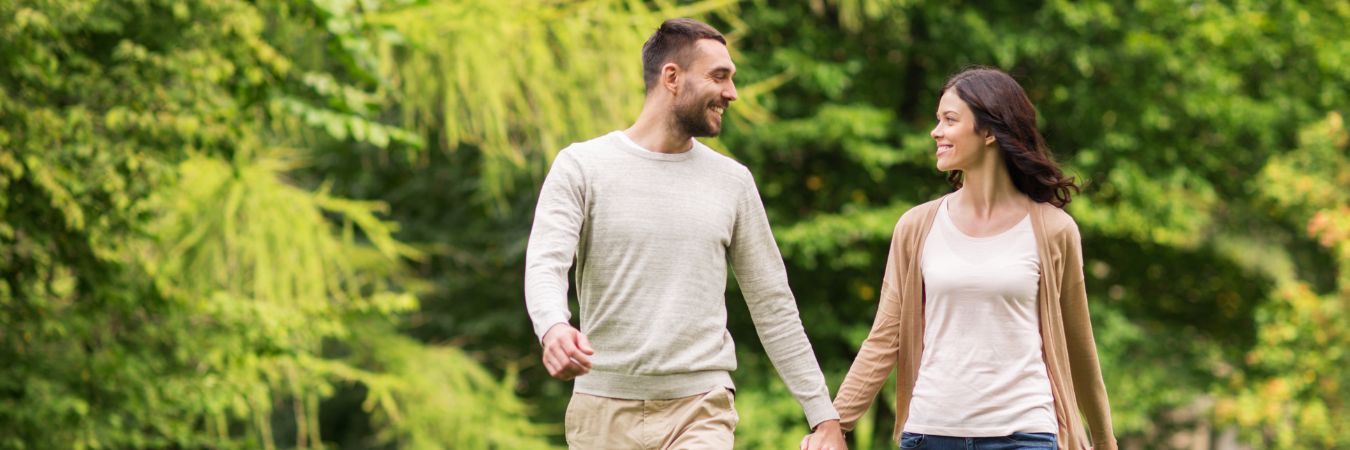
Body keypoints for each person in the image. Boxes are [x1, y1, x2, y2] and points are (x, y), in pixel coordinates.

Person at [525, 18, 847, 450]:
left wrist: (822, 414)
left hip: (700, 407)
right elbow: (546, 263)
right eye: (719, 77)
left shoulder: (732, 182)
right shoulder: (582, 166)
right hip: (601, 408)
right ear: (672, 77)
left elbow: (773, 304)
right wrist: (554, 328)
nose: (732, 93)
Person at [806, 67, 1117, 450]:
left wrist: (1104, 440)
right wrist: (836, 422)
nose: (936, 132)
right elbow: (885, 336)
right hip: (930, 432)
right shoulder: (917, 226)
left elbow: (1077, 343)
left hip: (1025, 433)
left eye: (950, 120)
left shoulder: (1054, 230)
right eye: (938, 120)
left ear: (989, 132)